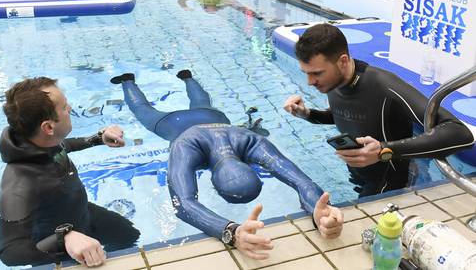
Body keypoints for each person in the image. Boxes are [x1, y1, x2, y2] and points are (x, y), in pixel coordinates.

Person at [111, 70, 344, 260]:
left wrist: (319, 211)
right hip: (175, 123)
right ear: (250, 165)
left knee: (174, 106)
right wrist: (233, 232)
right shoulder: (198, 144)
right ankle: (182, 78)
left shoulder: (246, 138)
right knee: (149, 110)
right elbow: (300, 180)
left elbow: (184, 202)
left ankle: (133, 80)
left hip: (210, 118)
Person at [283, 23, 475, 197]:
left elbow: (460, 133)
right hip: (360, 175)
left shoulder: (384, 86)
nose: (310, 82)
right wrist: (308, 114)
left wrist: (384, 150)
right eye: (306, 74)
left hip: (390, 184)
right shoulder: (334, 82)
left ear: (342, 61)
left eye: (316, 73)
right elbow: (348, 114)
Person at [0, 77, 140, 267]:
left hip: (83, 214)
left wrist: (98, 138)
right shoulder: (19, 184)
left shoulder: (40, 142)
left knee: (129, 236)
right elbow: (10, 253)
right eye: (64, 107)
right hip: (58, 247)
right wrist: (64, 239)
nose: (70, 108)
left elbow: (65, 145)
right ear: (48, 127)